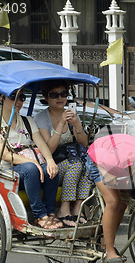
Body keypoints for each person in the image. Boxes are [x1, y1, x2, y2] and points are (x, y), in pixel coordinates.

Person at [86, 133, 135, 263]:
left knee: (123, 202)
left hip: (124, 147)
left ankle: (105, 241)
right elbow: (92, 152)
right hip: (98, 158)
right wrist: (106, 173)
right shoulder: (116, 160)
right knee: (114, 201)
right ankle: (109, 250)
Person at [0, 91, 62, 229]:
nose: (19, 102)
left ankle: (51, 212)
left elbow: (41, 143)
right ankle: (39, 215)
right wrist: (33, 163)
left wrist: (50, 160)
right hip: (8, 171)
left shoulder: (27, 121)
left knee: (52, 169)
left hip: (32, 169)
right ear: (0, 98)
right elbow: (4, 155)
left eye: (22, 98)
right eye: (13, 97)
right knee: (31, 168)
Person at [35, 80, 92, 227]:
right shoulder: (42, 118)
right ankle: (64, 209)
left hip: (72, 158)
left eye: (64, 94)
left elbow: (83, 144)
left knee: (88, 164)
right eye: (54, 95)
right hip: (52, 164)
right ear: (46, 97)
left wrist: (77, 125)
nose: (60, 98)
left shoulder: (71, 114)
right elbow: (49, 149)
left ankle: (78, 207)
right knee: (77, 165)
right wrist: (60, 125)